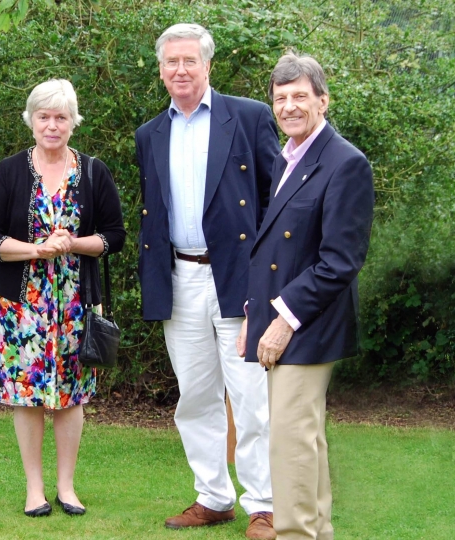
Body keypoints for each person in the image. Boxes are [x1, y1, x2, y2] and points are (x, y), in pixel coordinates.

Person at [135, 23, 280, 539]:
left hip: (239, 280)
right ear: (160, 69)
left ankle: (264, 506)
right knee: (194, 397)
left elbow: (276, 203)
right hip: (179, 276)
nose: (179, 70)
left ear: (207, 65)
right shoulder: (150, 133)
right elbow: (153, 215)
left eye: (189, 61)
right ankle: (214, 497)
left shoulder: (249, 117)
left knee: (250, 398)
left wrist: (269, 283)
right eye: (170, 62)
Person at [236, 53, 374, 540]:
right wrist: (255, 314)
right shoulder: (287, 156)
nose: (290, 106)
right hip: (284, 318)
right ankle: (317, 533)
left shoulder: (345, 163)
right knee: (304, 439)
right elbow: (272, 246)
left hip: (310, 324)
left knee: (291, 442)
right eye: (281, 98)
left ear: (323, 99)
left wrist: (283, 320)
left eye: (300, 96)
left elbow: (340, 260)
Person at [0, 79, 125, 518]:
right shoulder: (10, 171)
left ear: (73, 122)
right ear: (31, 120)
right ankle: (34, 489)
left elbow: (114, 237)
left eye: (61, 117)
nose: (52, 125)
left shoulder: (94, 172)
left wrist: (73, 244)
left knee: (72, 396)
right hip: (21, 306)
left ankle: (67, 487)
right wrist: (35, 251)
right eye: (44, 116)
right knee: (27, 395)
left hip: (76, 303)